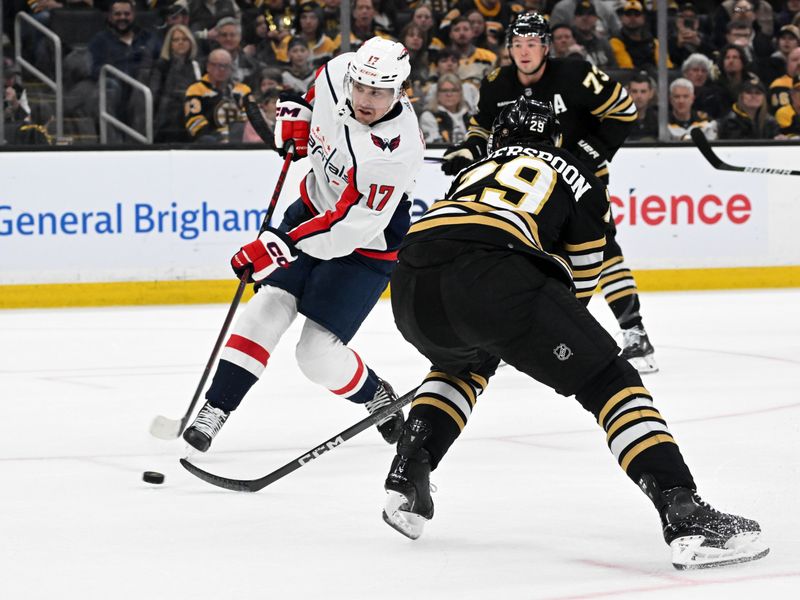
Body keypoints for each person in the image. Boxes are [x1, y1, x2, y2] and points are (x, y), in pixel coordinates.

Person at [381, 96, 769, 571]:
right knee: (609, 379)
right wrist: (532, 333)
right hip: (492, 275)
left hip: (410, 283)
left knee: (459, 366)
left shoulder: (471, 172)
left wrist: (502, 329)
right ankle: (682, 510)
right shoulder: (577, 170)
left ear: (500, 139)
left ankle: (409, 470)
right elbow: (583, 281)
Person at [182, 36, 424, 452]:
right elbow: (316, 90)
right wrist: (300, 115)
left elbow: (347, 227)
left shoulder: (394, 154)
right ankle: (216, 407)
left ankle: (375, 395)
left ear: (399, 90)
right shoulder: (339, 70)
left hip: (363, 248)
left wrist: (280, 245)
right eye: (361, 88)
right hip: (310, 211)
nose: (366, 100)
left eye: (380, 93)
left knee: (315, 356)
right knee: (264, 310)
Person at [439, 12, 658, 374]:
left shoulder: (575, 75)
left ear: (546, 47)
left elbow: (624, 111)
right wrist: (467, 150)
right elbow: (482, 126)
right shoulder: (497, 83)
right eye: (518, 45)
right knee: (517, 255)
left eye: (532, 45)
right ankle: (510, 338)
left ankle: (635, 332)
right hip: (529, 188)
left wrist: (588, 153)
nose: (524, 53)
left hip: (578, 183)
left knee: (603, 253)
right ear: (509, 48)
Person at [183, 48, 250, 142]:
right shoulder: (196, 89)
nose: (221, 69)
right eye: (217, 65)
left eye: (226, 66)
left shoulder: (243, 90)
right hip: (209, 143)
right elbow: (194, 122)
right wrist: (219, 137)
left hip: (239, 141)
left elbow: (249, 117)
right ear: (208, 66)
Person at [149, 24, 202, 143]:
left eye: (184, 39)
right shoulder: (161, 66)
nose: (181, 43)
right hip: (166, 120)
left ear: (190, 42)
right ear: (170, 44)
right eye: (176, 40)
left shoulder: (196, 65)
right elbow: (155, 95)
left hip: (192, 115)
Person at [609, 1, 672, 74]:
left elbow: (667, 67)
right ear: (622, 18)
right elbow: (627, 70)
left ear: (643, 17)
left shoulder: (653, 42)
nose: (632, 18)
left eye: (637, 14)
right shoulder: (616, 41)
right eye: (628, 14)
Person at [716, 78, 781, 139]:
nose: (753, 96)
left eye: (758, 93)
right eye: (749, 92)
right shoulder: (730, 122)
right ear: (741, 97)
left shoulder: (770, 122)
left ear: (764, 98)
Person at [418, 72, 472, 144]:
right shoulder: (429, 116)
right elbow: (433, 146)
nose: (449, 94)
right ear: (437, 94)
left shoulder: (468, 115)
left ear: (460, 93)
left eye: (454, 90)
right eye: (444, 90)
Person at [626, 70, 658, 141]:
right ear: (628, 93)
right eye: (634, 91)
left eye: (643, 91)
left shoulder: (658, 119)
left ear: (651, 93)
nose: (639, 96)